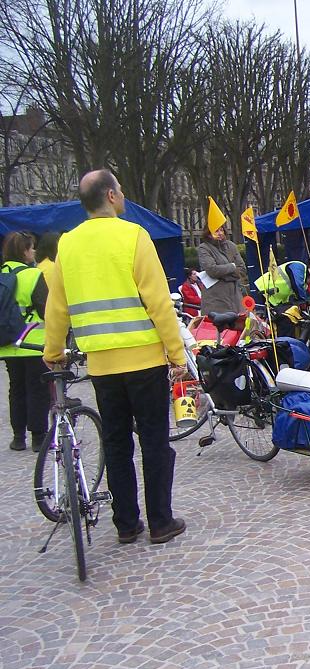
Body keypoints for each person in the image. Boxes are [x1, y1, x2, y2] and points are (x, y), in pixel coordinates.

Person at [44, 169, 187, 544]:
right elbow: (159, 303)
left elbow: (57, 307)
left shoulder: (68, 245)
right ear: (110, 196)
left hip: (102, 368)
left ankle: (126, 524)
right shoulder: (133, 236)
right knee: (154, 441)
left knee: (117, 443)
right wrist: (176, 354)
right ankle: (161, 522)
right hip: (144, 362)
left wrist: (53, 351)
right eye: (120, 190)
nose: (122, 195)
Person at [0, 232, 49, 452]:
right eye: (31, 248)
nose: (34, 252)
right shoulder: (32, 275)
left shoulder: (2, 274)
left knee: (16, 389)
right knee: (37, 389)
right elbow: (45, 309)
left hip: (9, 344)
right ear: (24, 252)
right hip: (33, 341)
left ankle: (18, 437)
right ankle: (39, 436)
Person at [198, 222, 248, 316]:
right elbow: (212, 270)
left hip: (235, 298)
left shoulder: (231, 246)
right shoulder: (204, 248)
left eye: (221, 230)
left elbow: (242, 269)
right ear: (208, 233)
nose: (220, 233)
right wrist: (232, 267)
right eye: (216, 231)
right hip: (215, 300)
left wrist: (224, 276)